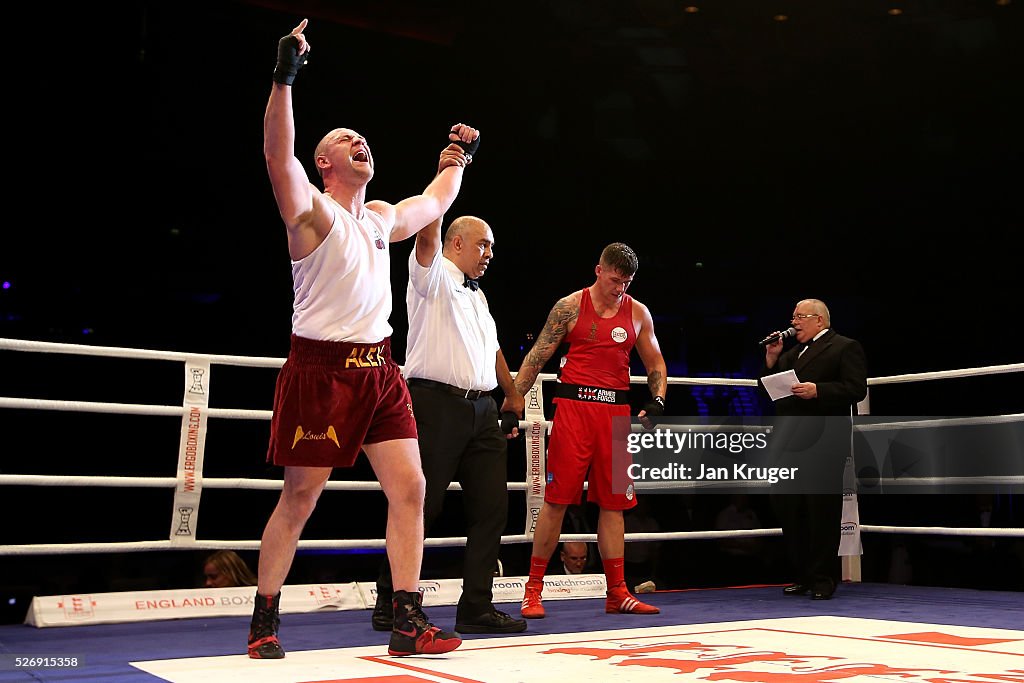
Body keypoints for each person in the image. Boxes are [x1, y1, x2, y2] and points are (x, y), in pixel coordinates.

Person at [250, 19, 479, 659]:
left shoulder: (379, 219)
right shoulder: (312, 215)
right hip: (321, 369)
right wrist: (285, 75)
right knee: (300, 497)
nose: (360, 143)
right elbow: (276, 154)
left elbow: (434, 202)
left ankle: (407, 621)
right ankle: (264, 621)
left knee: (410, 488)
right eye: (346, 140)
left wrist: (454, 160)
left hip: (379, 369)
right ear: (325, 163)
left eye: (364, 139)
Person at [371, 215, 527, 635]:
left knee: (493, 509)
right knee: (420, 505)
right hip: (433, 404)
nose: (490, 254)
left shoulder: (478, 296)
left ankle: (476, 605)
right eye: (484, 245)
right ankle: (390, 600)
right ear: (455, 243)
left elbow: (492, 347)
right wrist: (445, 185)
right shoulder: (431, 275)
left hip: (483, 410)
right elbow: (425, 235)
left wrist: (512, 396)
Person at [512, 243, 667, 618]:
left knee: (615, 505)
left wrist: (658, 398)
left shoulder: (638, 313)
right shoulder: (569, 306)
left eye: (627, 282)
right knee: (557, 500)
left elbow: (655, 362)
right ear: (599, 270)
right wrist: (512, 404)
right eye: (615, 280)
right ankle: (533, 590)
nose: (620, 289)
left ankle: (617, 592)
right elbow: (537, 357)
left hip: (615, 416)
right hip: (574, 410)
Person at [760, 298, 867, 600]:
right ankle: (803, 575)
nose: (793, 322)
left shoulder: (845, 346)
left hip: (824, 441)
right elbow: (769, 389)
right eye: (792, 316)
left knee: (821, 510)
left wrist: (818, 390)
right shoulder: (792, 353)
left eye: (800, 317)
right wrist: (771, 357)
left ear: (819, 320)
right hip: (790, 443)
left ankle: (823, 578)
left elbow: (856, 388)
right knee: (788, 506)